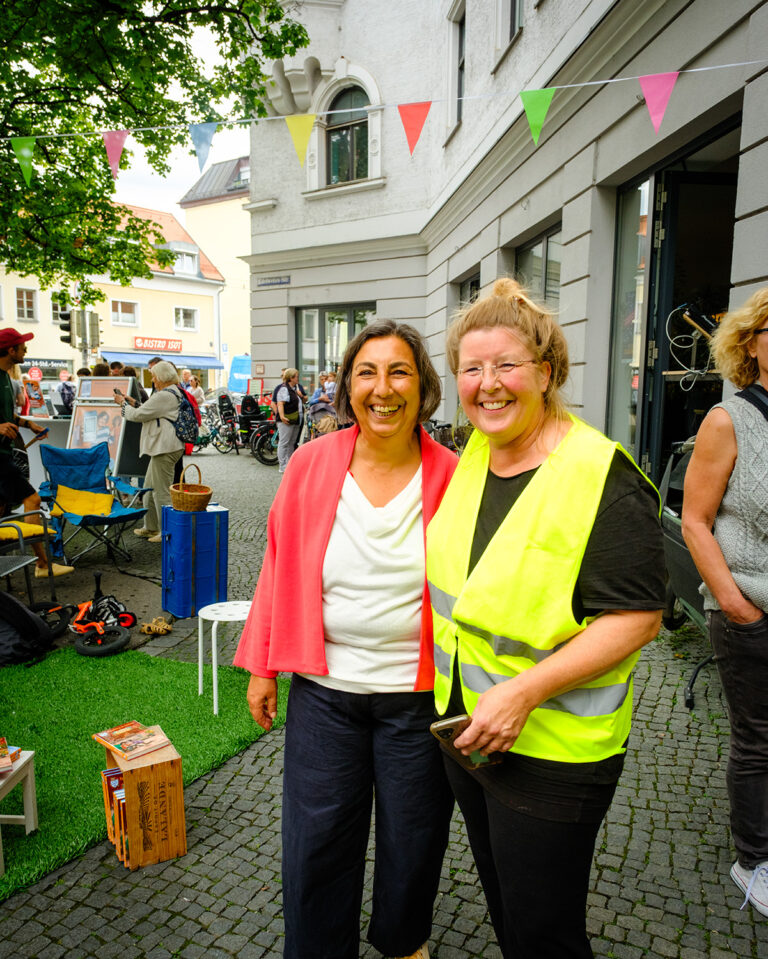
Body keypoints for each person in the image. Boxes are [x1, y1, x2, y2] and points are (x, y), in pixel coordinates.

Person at [426, 278, 665, 959]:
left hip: (553, 752)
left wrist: (525, 691)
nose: (487, 384)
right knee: (507, 906)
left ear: (547, 370)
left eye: (506, 365)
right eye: (472, 368)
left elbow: (639, 616)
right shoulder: (477, 450)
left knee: (544, 931)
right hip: (468, 728)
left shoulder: (600, 474)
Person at [234, 321, 458, 959]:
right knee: (317, 838)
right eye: (367, 372)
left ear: (423, 387)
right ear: (346, 385)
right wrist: (262, 668)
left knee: (414, 837)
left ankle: (402, 941)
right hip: (325, 693)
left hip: (419, 697)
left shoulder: (453, 475)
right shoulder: (310, 462)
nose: (382, 389)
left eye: (399, 372)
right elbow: (279, 564)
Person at [681, 288, 768, 917]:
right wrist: (737, 604)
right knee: (759, 740)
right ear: (751, 343)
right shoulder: (728, 420)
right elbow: (694, 520)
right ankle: (754, 860)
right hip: (751, 611)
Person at [0, 328, 73, 577]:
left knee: (1, 506)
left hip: (4, 452)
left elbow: (8, 415)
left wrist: (29, 424)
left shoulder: (6, 379)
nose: (25, 350)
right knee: (32, 500)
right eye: (22, 347)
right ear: (11, 350)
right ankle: (42, 564)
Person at [114, 360, 184, 543]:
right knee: (150, 488)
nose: (152, 380)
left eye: (154, 376)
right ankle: (151, 527)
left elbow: (137, 416)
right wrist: (133, 402)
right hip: (165, 446)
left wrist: (122, 404)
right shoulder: (170, 392)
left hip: (165, 447)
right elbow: (149, 410)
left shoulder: (165, 395)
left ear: (161, 377)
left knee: (160, 492)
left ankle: (166, 531)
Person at [274, 368, 302, 472]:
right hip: (286, 420)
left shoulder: (293, 389)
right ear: (291, 378)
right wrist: (282, 416)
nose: (298, 378)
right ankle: (282, 466)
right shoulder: (284, 388)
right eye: (296, 376)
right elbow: (280, 403)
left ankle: (290, 463)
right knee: (284, 442)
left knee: (291, 442)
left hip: (294, 419)